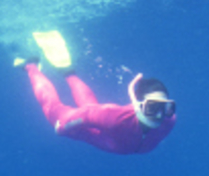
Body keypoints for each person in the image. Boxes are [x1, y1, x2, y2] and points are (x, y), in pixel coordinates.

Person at [20, 57, 176, 155]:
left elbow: (91, 111)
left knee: (92, 108)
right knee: (57, 116)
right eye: (153, 107)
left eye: (165, 108)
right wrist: (63, 126)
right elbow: (86, 115)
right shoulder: (115, 118)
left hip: (116, 142)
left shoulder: (170, 119)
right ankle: (30, 65)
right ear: (138, 105)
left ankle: (68, 72)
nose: (159, 116)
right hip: (104, 138)